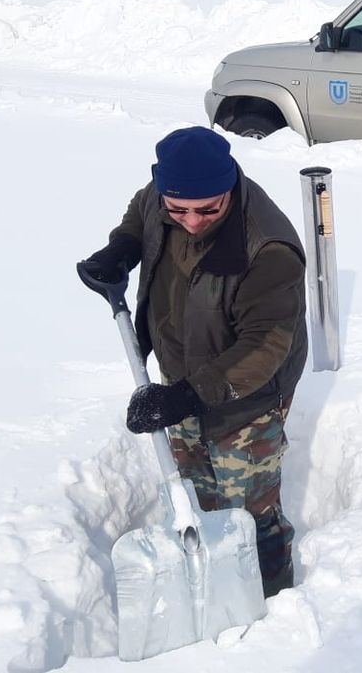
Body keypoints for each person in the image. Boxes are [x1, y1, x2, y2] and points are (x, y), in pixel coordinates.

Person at [78, 126, 307, 598]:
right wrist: (121, 249)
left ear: (229, 186)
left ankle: (272, 598)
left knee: (249, 512)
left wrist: (187, 395)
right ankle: (211, 582)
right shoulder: (163, 198)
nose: (193, 221)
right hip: (181, 375)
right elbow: (139, 216)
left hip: (249, 398)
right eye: (178, 209)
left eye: (208, 209)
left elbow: (264, 346)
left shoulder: (267, 250)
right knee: (199, 489)